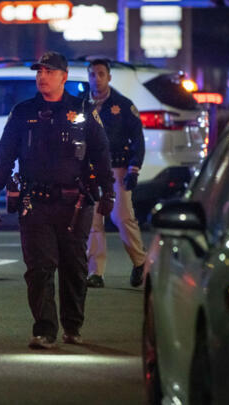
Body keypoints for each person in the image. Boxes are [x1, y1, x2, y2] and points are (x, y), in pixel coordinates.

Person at [0, 51, 114, 349]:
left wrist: (108, 191)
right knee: (39, 267)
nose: (42, 76)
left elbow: (101, 153)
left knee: (74, 266)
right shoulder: (23, 112)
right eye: (39, 71)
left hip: (75, 203)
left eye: (49, 71)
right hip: (35, 202)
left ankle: (72, 326)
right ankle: (44, 329)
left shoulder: (83, 110)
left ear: (63, 77)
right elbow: (5, 154)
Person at [84, 59, 146, 288]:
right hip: (90, 171)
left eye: (101, 74)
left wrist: (134, 168)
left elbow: (138, 139)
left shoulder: (123, 105)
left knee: (121, 216)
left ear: (109, 77)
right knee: (93, 220)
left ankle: (140, 261)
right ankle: (95, 273)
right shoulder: (82, 105)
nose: (96, 78)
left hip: (117, 169)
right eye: (92, 74)